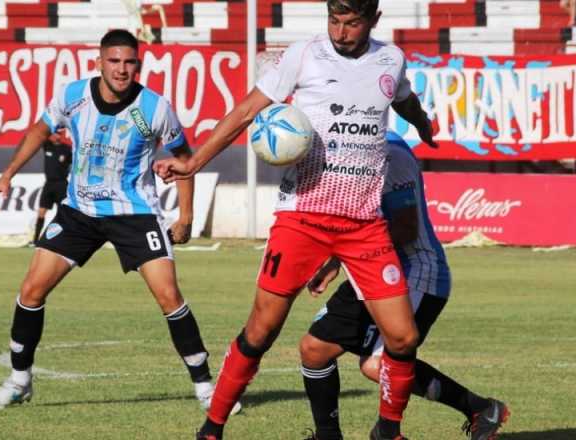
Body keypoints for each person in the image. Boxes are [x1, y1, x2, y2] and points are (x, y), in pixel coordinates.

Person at [154, 0, 438, 437]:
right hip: (302, 218)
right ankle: (211, 428)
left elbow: (405, 99)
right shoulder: (303, 55)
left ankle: (388, 430)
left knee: (403, 338)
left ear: (373, 21)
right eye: (334, 21)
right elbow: (246, 111)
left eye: (352, 23)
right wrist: (192, 163)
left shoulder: (391, 59)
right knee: (261, 331)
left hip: (363, 226)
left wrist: (422, 124)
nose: (341, 32)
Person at [0, 29, 240, 415]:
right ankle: (19, 382)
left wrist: (186, 217)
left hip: (135, 213)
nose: (121, 69)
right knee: (31, 291)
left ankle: (205, 388)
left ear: (139, 65)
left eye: (129, 62)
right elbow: (40, 129)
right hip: (79, 211)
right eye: (114, 61)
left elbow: (185, 159)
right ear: (98, 62)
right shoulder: (73, 95)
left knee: (169, 296)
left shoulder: (154, 108)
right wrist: (7, 175)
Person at [299, 132, 507, 440]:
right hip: (368, 267)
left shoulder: (390, 153)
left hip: (415, 271)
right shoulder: (337, 148)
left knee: (376, 365)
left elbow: (406, 228)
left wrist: (345, 254)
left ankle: (477, 409)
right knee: (314, 349)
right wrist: (335, 262)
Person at [33, 128, 73, 243]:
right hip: (49, 184)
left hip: (61, 184)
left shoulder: (66, 149)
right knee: (41, 211)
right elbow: (40, 135)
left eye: (59, 134)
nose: (57, 136)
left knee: (63, 214)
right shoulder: (47, 146)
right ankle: (35, 240)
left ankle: (64, 240)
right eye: (55, 133)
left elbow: (74, 163)